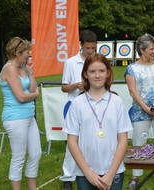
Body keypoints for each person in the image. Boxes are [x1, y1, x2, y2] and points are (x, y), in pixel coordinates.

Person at [63, 53, 132, 190]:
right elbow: (72, 141)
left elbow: (123, 140)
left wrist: (110, 174)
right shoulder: (77, 103)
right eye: (92, 71)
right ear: (85, 74)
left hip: (114, 172)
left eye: (101, 71)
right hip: (85, 173)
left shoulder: (116, 102)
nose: (97, 75)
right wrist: (88, 172)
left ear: (108, 73)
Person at [124, 33, 154, 188]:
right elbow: (133, 91)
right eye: (151, 49)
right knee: (138, 143)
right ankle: (136, 175)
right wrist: (145, 108)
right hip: (140, 111)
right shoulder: (132, 69)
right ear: (142, 50)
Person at [0, 37, 41, 190]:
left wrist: (30, 73)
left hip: (29, 117)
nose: (28, 56)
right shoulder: (9, 69)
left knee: (36, 154)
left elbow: (31, 88)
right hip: (15, 119)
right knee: (18, 157)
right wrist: (35, 95)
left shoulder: (23, 67)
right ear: (17, 53)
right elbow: (22, 96)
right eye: (26, 53)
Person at [61, 30, 97, 190]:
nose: (90, 51)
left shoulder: (97, 61)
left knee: (94, 139)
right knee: (73, 141)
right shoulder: (70, 62)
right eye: (88, 48)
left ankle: (93, 171)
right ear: (81, 45)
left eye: (93, 48)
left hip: (94, 105)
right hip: (75, 105)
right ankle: (67, 177)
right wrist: (75, 85)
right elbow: (64, 87)